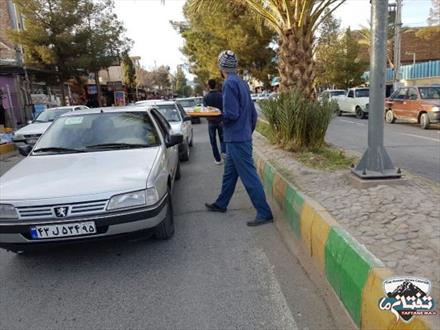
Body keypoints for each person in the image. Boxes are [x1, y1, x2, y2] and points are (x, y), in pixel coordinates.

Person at [205, 50, 273, 227]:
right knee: (229, 174)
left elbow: (231, 114)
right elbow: (252, 114)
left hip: (235, 139)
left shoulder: (229, 84)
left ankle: (264, 212)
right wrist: (247, 132)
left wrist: (217, 118)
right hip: (241, 137)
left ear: (221, 67)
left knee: (249, 177)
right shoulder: (242, 83)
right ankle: (221, 204)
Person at [203, 79, 225, 164]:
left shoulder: (206, 97)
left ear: (208, 86)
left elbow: (205, 110)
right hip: (220, 121)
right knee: (222, 139)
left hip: (211, 122)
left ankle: (218, 159)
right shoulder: (221, 95)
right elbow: (224, 107)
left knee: (213, 141)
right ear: (216, 85)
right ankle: (224, 154)